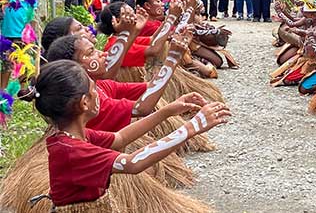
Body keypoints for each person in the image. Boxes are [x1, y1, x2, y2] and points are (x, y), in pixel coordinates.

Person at [30, 59, 228, 211]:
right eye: (94, 90)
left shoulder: (72, 137)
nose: (99, 93)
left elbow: (120, 138)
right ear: (84, 103)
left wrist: (167, 111)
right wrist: (192, 127)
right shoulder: (73, 151)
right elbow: (132, 163)